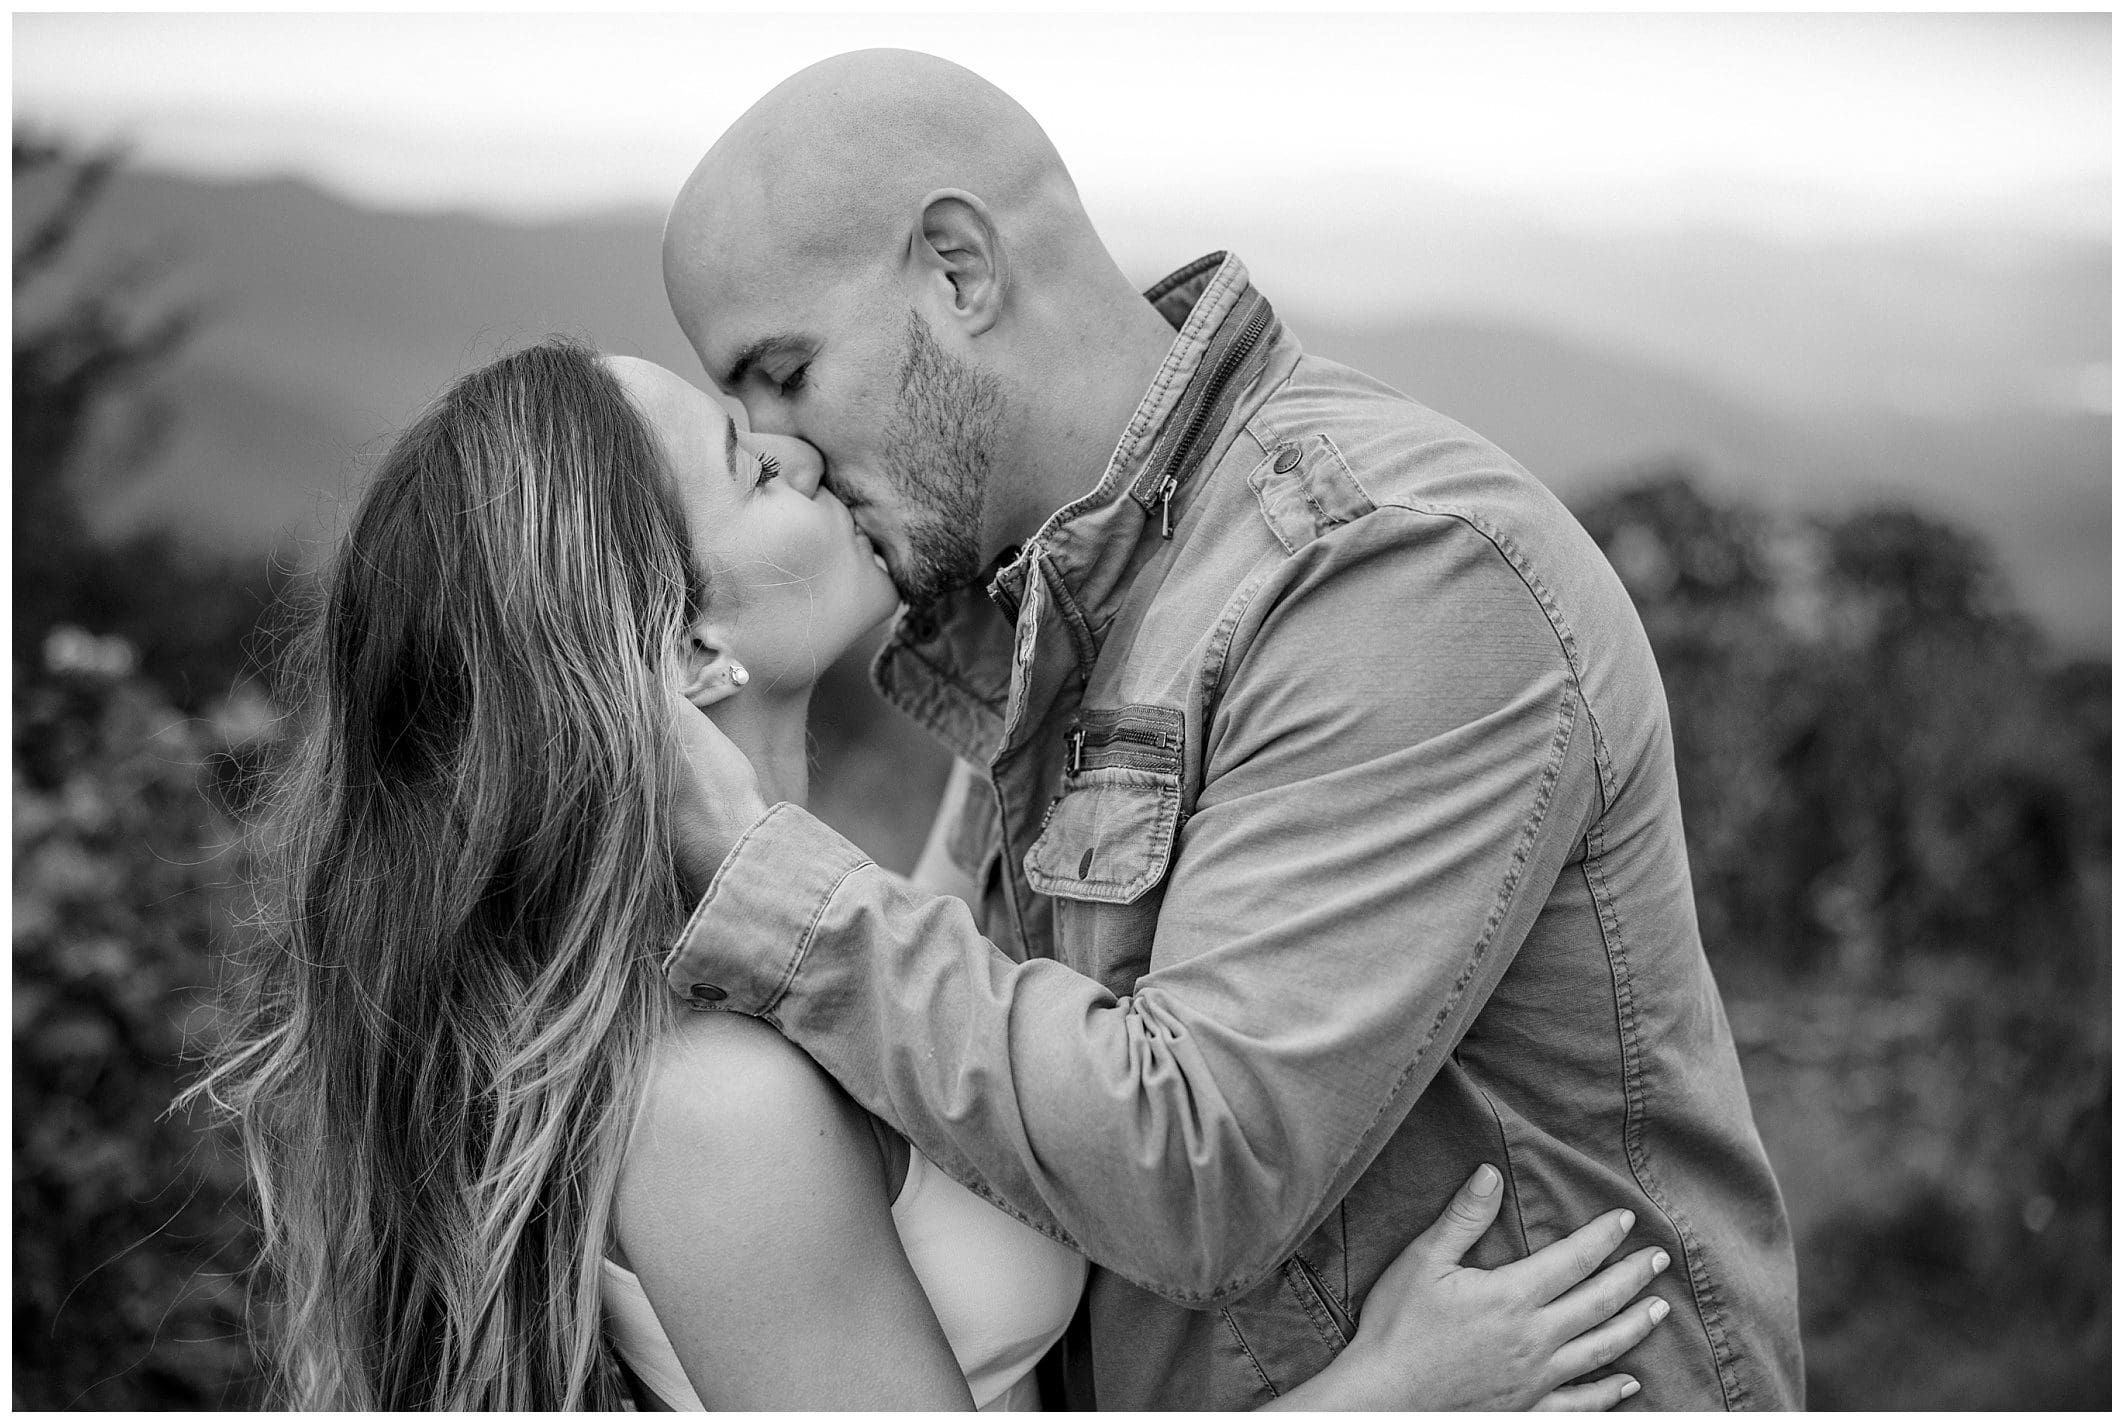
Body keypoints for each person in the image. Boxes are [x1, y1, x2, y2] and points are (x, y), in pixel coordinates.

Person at [190, 340, 1670, 1409]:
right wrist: (1394, 1396)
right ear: (690, 653)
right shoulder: (717, 1103)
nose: (798, 451)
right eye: (742, 461)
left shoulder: (841, 928)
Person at [655, 50, 1805, 1409]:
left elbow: (1201, 1174)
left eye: (784, 373)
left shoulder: (1388, 567)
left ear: (958, 273)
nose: (774, 445)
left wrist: (770, 886)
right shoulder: (1051, 619)